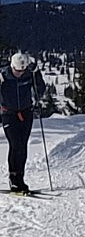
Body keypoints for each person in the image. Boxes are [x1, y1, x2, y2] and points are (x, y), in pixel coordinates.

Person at [0, 52, 45, 193]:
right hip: (9, 114)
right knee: (15, 144)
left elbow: (40, 90)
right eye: (17, 70)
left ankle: (20, 178)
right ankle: (13, 179)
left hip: (26, 113)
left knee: (23, 145)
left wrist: (37, 75)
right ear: (12, 66)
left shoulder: (29, 74)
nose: (19, 73)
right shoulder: (3, 75)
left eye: (22, 70)